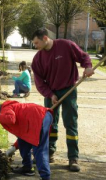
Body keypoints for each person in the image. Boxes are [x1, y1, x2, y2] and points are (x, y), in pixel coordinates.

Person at [31, 28, 94, 172]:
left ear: (45, 38)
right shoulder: (38, 59)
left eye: (36, 43)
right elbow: (40, 82)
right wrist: (50, 95)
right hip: (51, 93)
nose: (35, 46)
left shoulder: (66, 45)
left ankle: (73, 157)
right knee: (50, 123)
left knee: (70, 122)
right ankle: (49, 152)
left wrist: (88, 67)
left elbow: (84, 57)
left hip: (68, 90)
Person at [0, 100, 53, 180]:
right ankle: (27, 168)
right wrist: (14, 147)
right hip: (41, 118)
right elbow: (23, 134)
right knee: (23, 143)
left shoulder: (6, 108)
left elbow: (10, 119)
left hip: (39, 119)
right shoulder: (14, 108)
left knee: (40, 150)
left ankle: (45, 177)